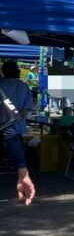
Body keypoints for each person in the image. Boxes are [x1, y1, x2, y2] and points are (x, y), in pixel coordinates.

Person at [0, 60, 36, 205]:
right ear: (18, 71)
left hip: (3, 124)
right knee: (16, 146)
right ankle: (17, 168)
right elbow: (27, 107)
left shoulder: (1, 84)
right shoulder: (24, 86)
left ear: (3, 71)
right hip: (17, 124)